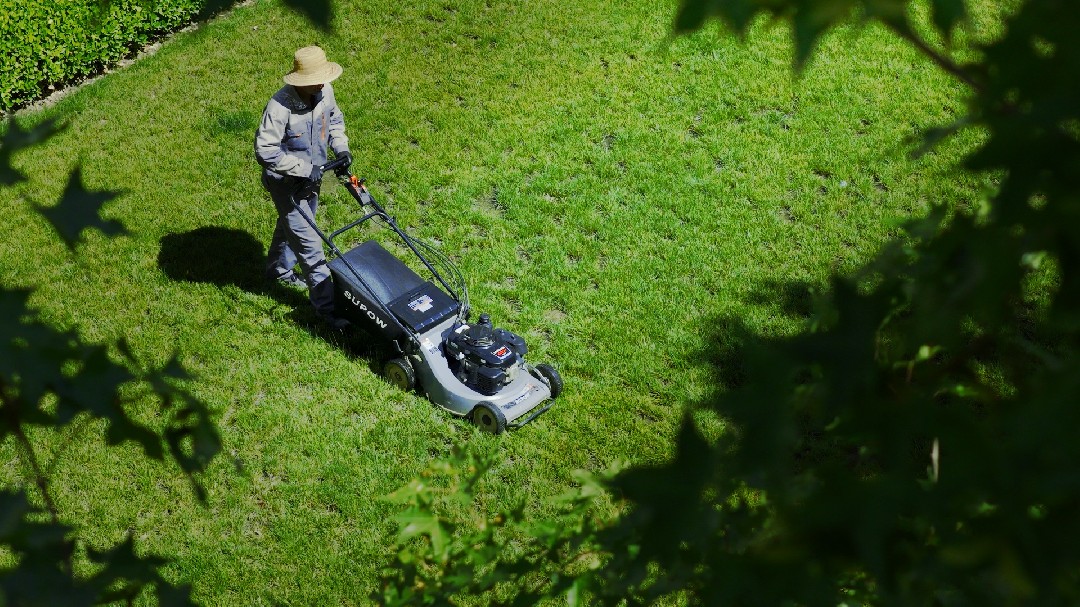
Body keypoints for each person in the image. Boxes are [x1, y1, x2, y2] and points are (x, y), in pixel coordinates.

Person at [255, 45, 352, 329]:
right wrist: (304, 170)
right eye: (316, 78)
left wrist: (341, 148)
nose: (322, 83)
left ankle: (278, 270)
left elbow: (334, 119)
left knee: (293, 224)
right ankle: (328, 310)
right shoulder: (279, 108)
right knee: (310, 243)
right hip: (287, 182)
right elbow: (266, 152)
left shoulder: (324, 92)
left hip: (314, 175)